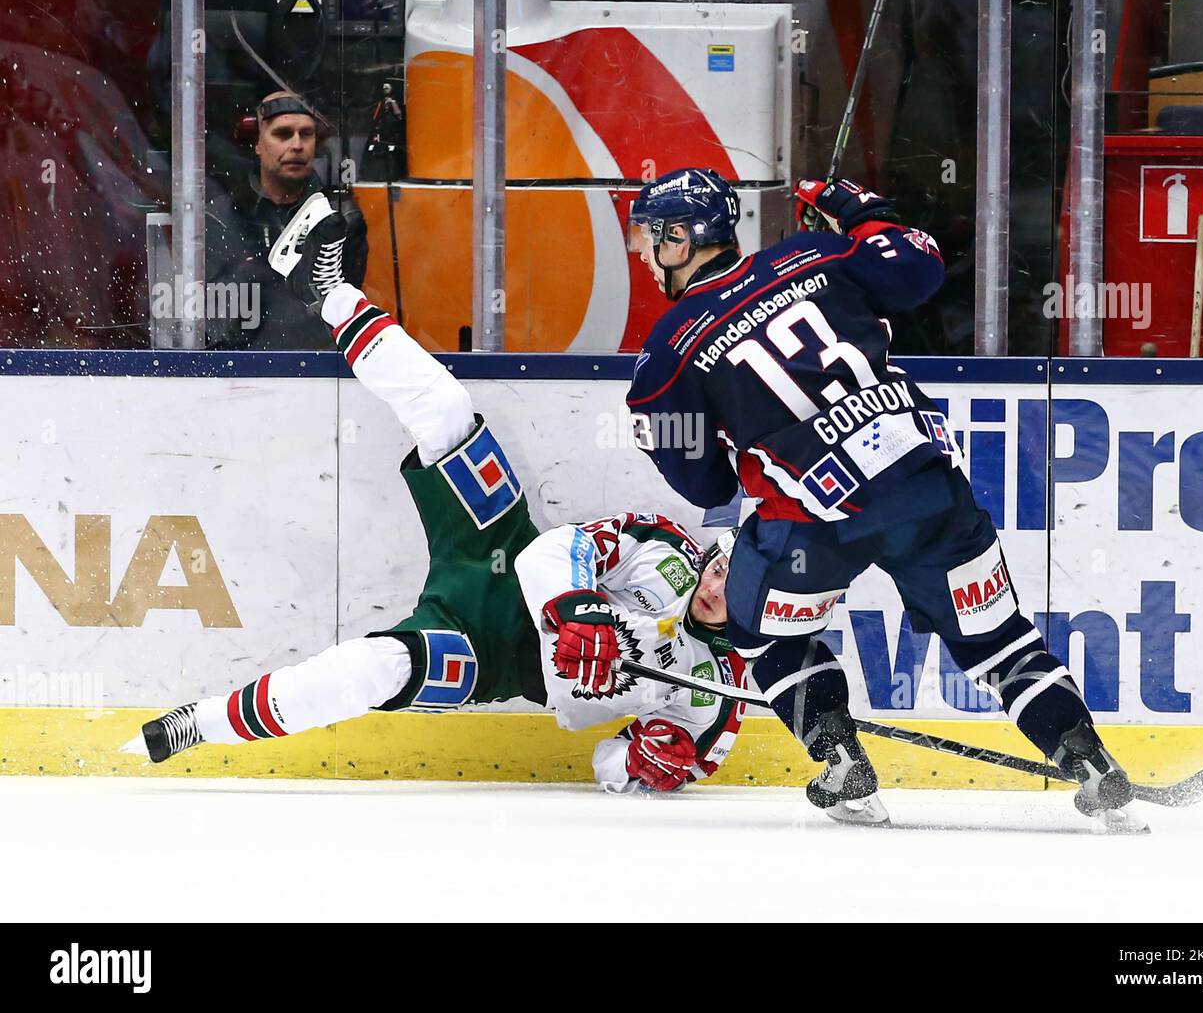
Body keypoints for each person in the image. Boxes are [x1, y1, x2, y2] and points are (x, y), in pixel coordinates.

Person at [134, 193, 743, 794]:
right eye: (720, 567)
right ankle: (329, 293)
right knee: (445, 409)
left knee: (379, 669)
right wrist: (577, 611)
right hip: (500, 549)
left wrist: (641, 767)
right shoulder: (670, 553)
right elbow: (544, 558)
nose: (715, 583)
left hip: (496, 656)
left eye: (733, 585)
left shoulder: (720, 695)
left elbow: (609, 765)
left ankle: (200, 723)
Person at [590, 167, 1138, 826]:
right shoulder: (814, 253)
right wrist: (856, 208)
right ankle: (1090, 759)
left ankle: (842, 760)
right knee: (998, 641)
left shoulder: (666, 353)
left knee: (760, 635)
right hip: (926, 487)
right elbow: (919, 270)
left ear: (681, 238)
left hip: (814, 520)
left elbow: (704, 482)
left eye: (650, 237)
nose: (643, 252)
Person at [204, 91, 368, 350]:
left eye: (306, 134)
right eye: (282, 134)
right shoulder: (219, 217)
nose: (297, 145)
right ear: (257, 143)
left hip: (321, 371)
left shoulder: (341, 220)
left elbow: (342, 316)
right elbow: (211, 318)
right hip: (236, 367)